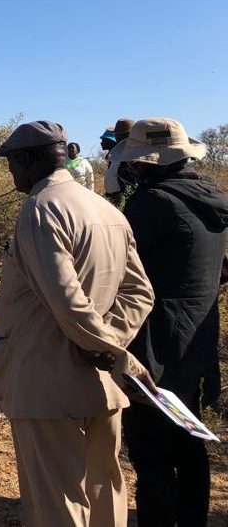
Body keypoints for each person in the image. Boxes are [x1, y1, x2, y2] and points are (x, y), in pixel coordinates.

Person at [0, 121, 155, 527]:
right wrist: (112, 346)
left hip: (48, 383)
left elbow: (66, 301)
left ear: (27, 160)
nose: (11, 173)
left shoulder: (40, 209)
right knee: (104, 496)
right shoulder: (105, 209)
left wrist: (106, 349)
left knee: (58, 505)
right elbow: (140, 294)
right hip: (102, 386)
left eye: (12, 163)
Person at [114, 118, 228, 526]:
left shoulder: (151, 203)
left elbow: (121, 272)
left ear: (146, 162)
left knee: (151, 451)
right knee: (188, 439)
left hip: (155, 344)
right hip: (196, 340)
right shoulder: (210, 196)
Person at [103, 118, 135, 203]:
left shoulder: (134, 154)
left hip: (125, 198)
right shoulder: (115, 153)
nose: (116, 136)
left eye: (119, 134)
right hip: (113, 197)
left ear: (128, 134)